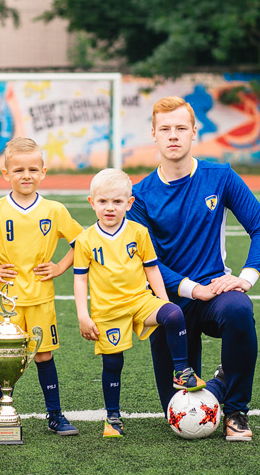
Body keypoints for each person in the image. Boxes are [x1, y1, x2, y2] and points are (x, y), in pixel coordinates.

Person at [127, 96, 260, 442]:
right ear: (154, 134)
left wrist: (245, 277)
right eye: (165, 129)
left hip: (216, 294)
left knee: (239, 308)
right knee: (177, 410)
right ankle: (220, 382)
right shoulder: (140, 195)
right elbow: (146, 261)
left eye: (181, 128)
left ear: (194, 132)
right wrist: (192, 289)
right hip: (168, 304)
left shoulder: (220, 176)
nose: (173, 135)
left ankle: (235, 411)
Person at [74, 168, 206, 438]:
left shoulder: (138, 232)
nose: (110, 207)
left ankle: (181, 371)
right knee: (113, 363)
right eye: (103, 201)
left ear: (129, 203)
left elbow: (152, 269)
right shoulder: (85, 239)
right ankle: (113, 417)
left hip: (140, 301)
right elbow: (80, 280)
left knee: (174, 314)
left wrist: (164, 302)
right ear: (91, 202)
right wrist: (83, 316)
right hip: (108, 311)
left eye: (117, 201)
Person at [0, 137, 83, 436]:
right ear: (5, 174)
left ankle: (55, 415)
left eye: (33, 169)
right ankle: (1, 414)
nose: (26, 175)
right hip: (6, 301)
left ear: (43, 172)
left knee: (44, 355)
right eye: (19, 170)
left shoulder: (54, 210)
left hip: (40, 297)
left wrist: (60, 267)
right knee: (5, 358)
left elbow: (82, 242)